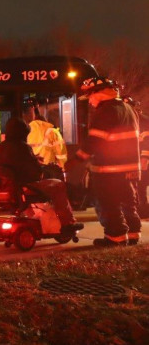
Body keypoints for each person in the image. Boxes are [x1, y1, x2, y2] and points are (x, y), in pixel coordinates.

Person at [71, 77, 141, 246]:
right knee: (127, 201)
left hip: (108, 169)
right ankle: (132, 234)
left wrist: (78, 158)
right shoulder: (128, 109)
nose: (90, 101)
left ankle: (115, 237)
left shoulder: (105, 112)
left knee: (109, 203)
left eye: (90, 96)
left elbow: (95, 140)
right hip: (129, 168)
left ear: (99, 93)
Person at [0, 117, 83, 233]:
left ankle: (34, 219)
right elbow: (35, 174)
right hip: (23, 188)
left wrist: (32, 160)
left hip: (4, 189)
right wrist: (41, 166)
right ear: (23, 133)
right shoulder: (22, 147)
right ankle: (67, 223)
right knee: (58, 185)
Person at [22, 97, 68, 170]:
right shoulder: (52, 131)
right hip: (49, 174)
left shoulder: (22, 131)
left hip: (30, 173)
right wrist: (61, 170)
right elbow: (62, 157)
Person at [123, 96, 149, 218]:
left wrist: (144, 159)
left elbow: (147, 142)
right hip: (132, 160)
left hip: (143, 160)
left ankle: (143, 210)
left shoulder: (143, 121)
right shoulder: (127, 120)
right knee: (133, 186)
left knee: (141, 185)